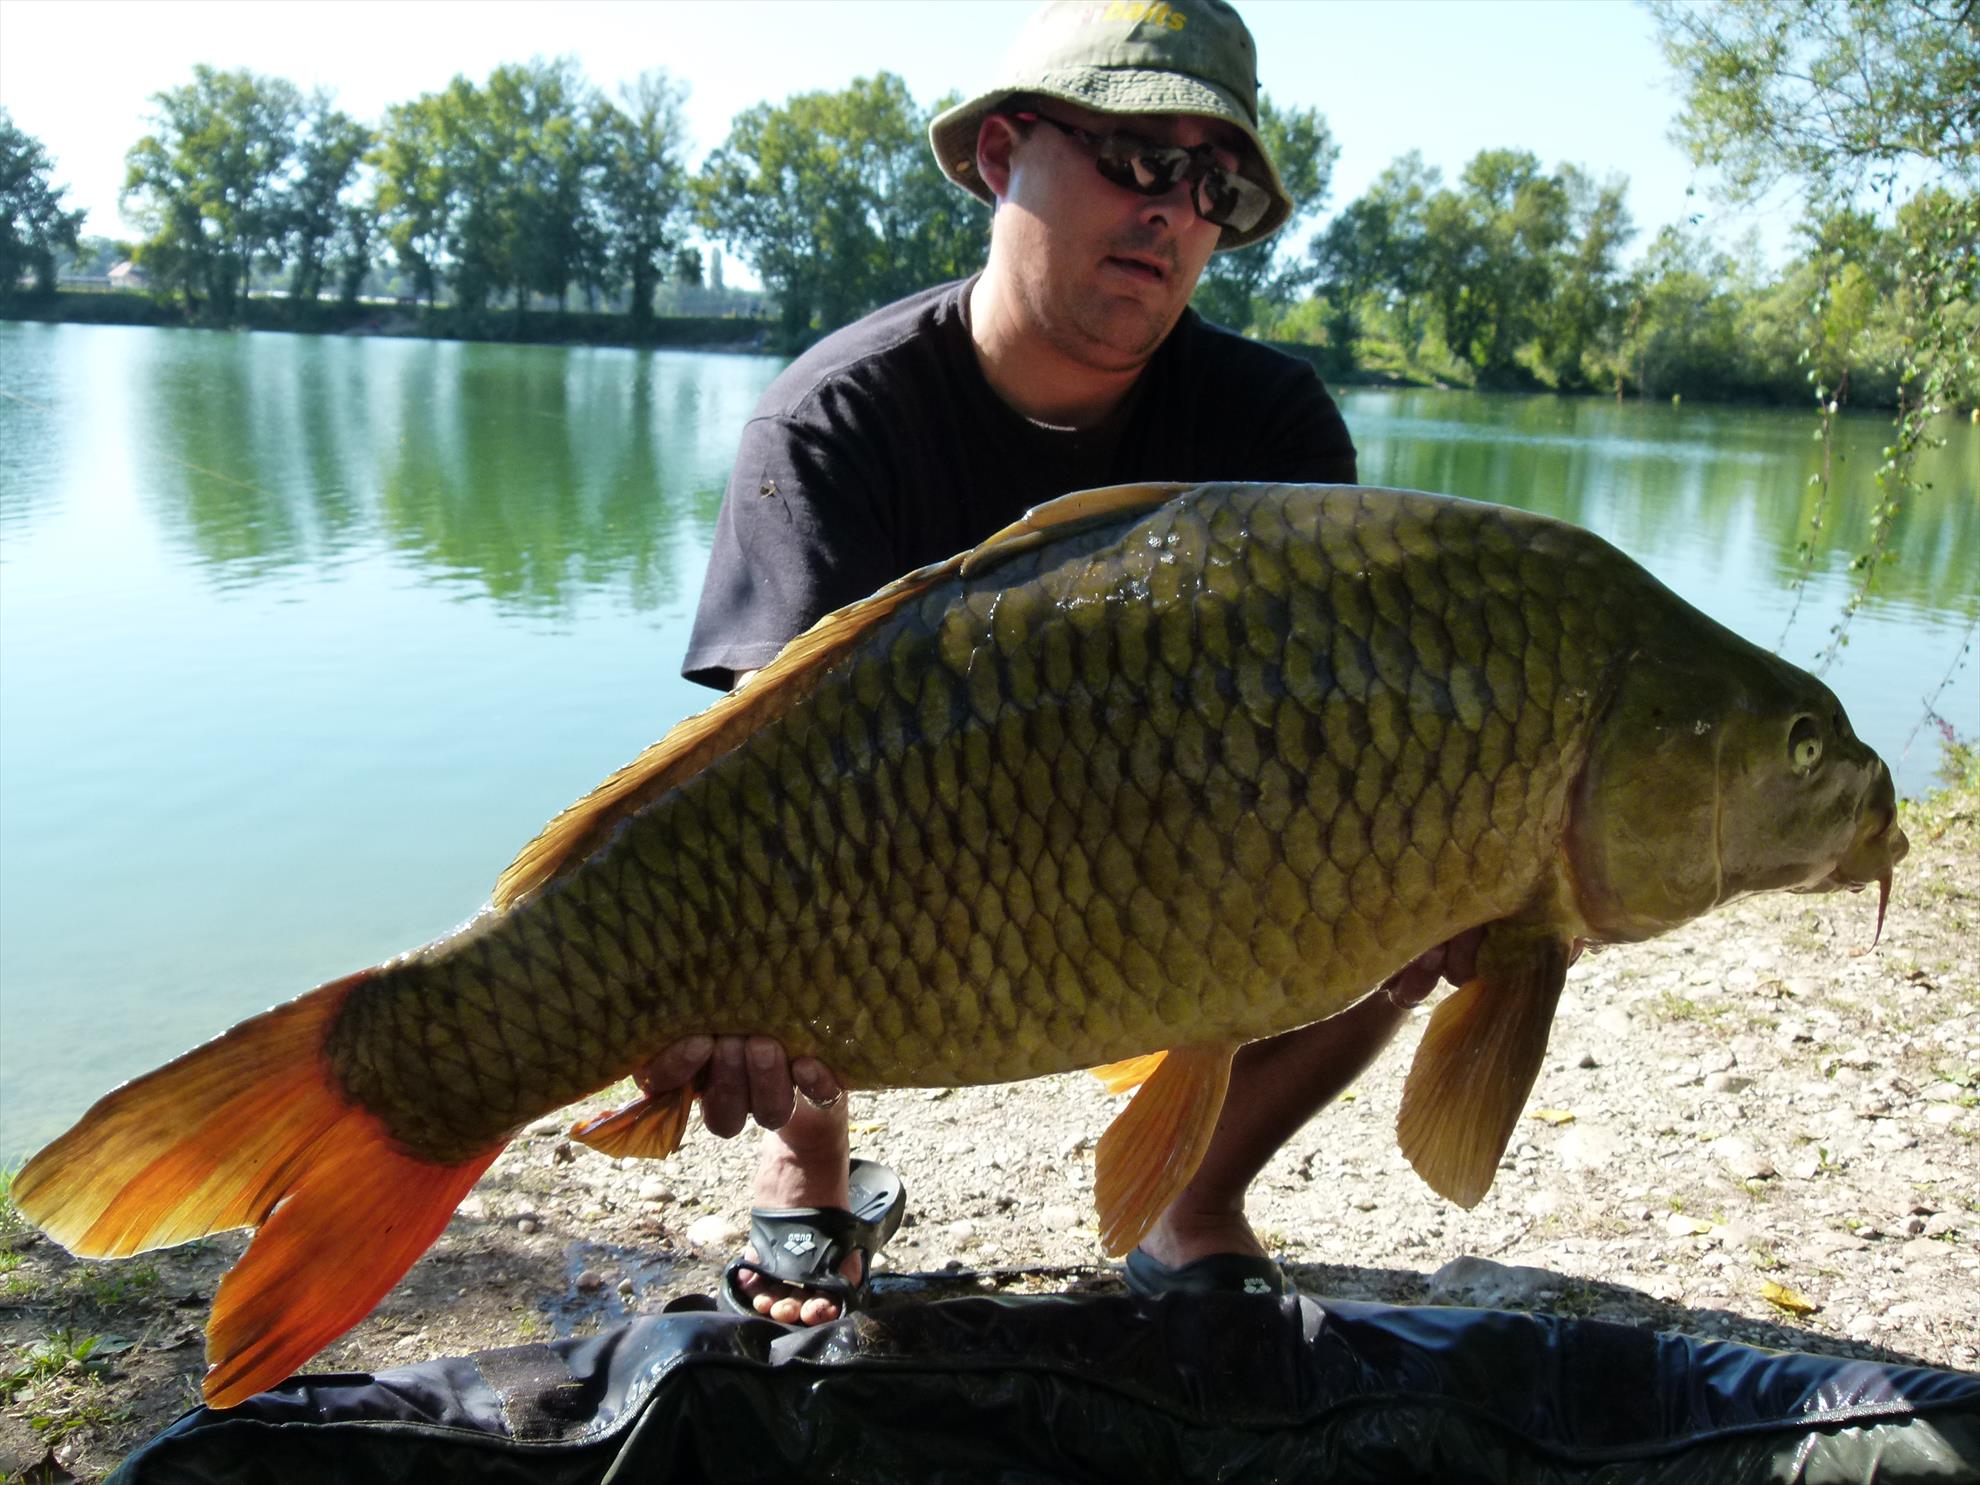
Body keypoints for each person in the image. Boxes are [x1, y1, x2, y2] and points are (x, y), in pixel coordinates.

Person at [651, 0, 1473, 1326]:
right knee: (774, 868)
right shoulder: (832, 423)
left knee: (1419, 849)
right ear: (1000, 154)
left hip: (1183, 859)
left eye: (1213, 183)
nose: (1170, 209)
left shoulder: (1272, 424)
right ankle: (810, 1171)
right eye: (1137, 157)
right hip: (889, 873)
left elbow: (1318, 756)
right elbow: (761, 795)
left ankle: (1190, 1200)